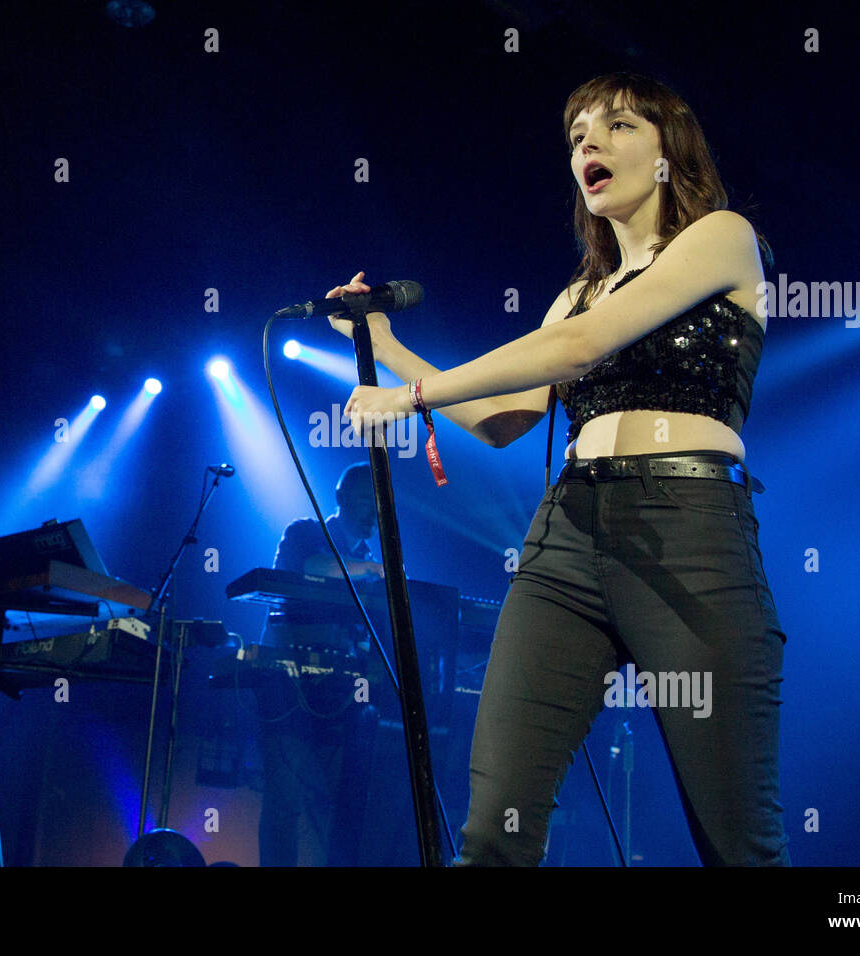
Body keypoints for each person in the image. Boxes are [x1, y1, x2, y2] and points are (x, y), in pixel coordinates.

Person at [326, 71, 790, 866]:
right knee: (492, 828)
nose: (589, 145)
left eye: (615, 127)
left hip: (689, 531)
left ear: (668, 152)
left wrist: (411, 396)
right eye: (577, 136)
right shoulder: (577, 293)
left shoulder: (721, 237)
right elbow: (506, 420)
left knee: (739, 842)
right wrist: (381, 345)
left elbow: (583, 348)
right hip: (566, 540)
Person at [254, 462, 381, 866]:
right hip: (288, 682)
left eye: (378, 505)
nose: (373, 512)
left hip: (342, 692)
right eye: (365, 500)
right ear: (341, 498)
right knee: (284, 800)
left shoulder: (368, 558)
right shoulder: (305, 532)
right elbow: (313, 568)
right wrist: (375, 571)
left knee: (333, 805)